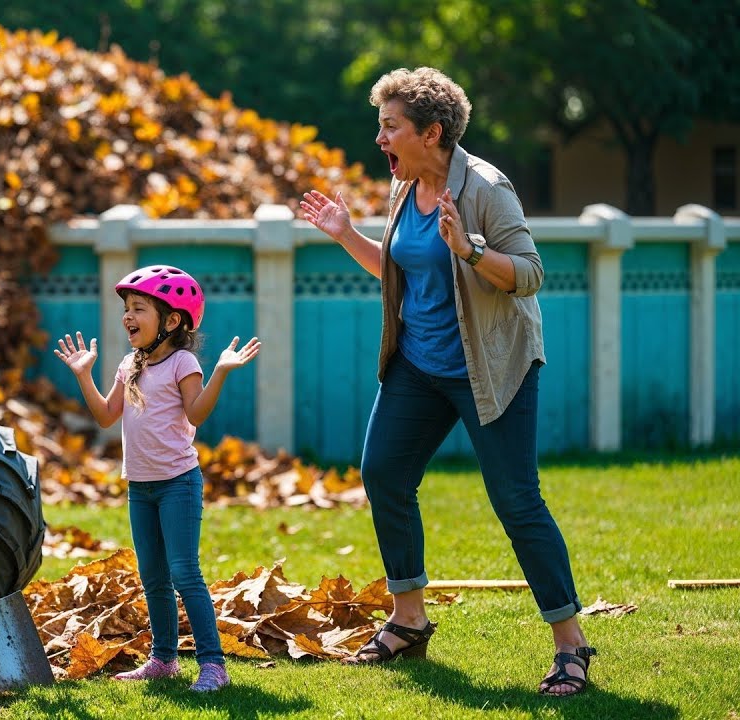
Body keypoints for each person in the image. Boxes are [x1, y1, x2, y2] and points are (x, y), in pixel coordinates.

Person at [298, 67, 594, 696]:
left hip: (489, 364)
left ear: (431, 133)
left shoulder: (487, 189)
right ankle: (408, 621)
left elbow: (531, 275)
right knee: (383, 474)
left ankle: (571, 646)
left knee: (517, 500)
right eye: (381, 126)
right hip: (418, 364)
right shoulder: (405, 186)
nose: (380, 139)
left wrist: (470, 250)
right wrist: (345, 233)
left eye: (390, 127)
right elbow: (401, 271)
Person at [54, 265, 261, 693]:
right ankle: (164, 659)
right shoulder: (130, 363)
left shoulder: (183, 362)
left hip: (178, 483)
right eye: (127, 309)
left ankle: (213, 665)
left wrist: (220, 370)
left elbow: (197, 414)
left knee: (185, 572)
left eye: (139, 308)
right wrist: (83, 376)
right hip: (140, 486)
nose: (128, 316)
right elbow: (107, 416)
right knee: (152, 576)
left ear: (171, 321)